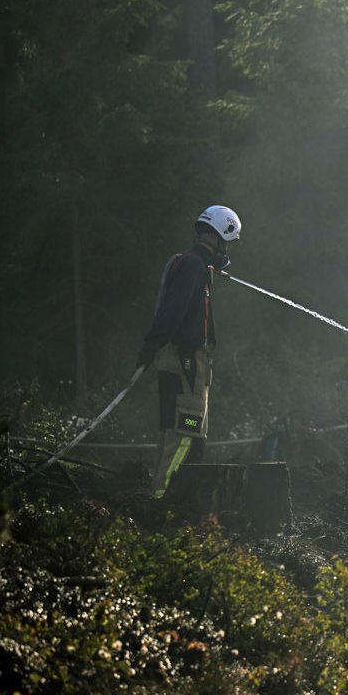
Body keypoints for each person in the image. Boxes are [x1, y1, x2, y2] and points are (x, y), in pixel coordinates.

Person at [136, 205, 241, 498]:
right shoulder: (194, 265)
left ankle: (160, 502)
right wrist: (150, 344)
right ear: (220, 237)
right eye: (227, 243)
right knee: (186, 434)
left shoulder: (196, 265)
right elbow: (171, 311)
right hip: (187, 366)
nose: (226, 250)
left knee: (175, 433)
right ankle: (166, 505)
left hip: (183, 364)